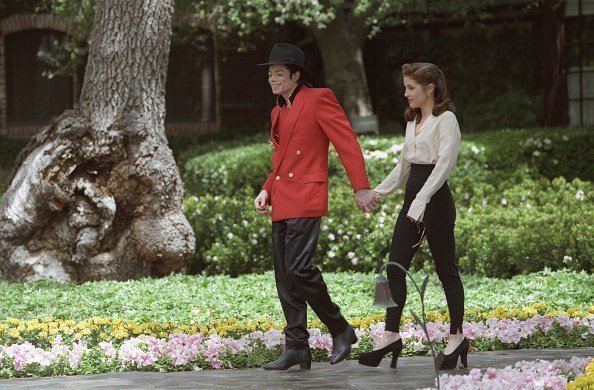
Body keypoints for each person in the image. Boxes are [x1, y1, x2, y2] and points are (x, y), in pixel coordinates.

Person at [253, 43, 377, 370]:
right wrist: (266, 189)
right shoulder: (277, 111)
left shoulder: (319, 98)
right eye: (270, 74)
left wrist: (360, 187)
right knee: (285, 275)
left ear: (296, 75)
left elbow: (346, 141)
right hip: (282, 198)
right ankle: (296, 347)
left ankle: (340, 328)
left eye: (279, 74)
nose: (272, 79)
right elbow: (279, 160)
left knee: (298, 270)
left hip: (307, 196)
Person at [358, 63, 468, 370]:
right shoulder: (413, 121)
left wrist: (421, 201)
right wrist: (377, 192)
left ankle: (457, 336)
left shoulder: (447, 120)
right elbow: (403, 167)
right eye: (405, 87)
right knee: (394, 268)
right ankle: (391, 334)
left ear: (429, 88)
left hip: (436, 202)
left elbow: (444, 166)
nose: (405, 93)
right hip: (413, 200)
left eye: (411, 88)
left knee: (447, 270)